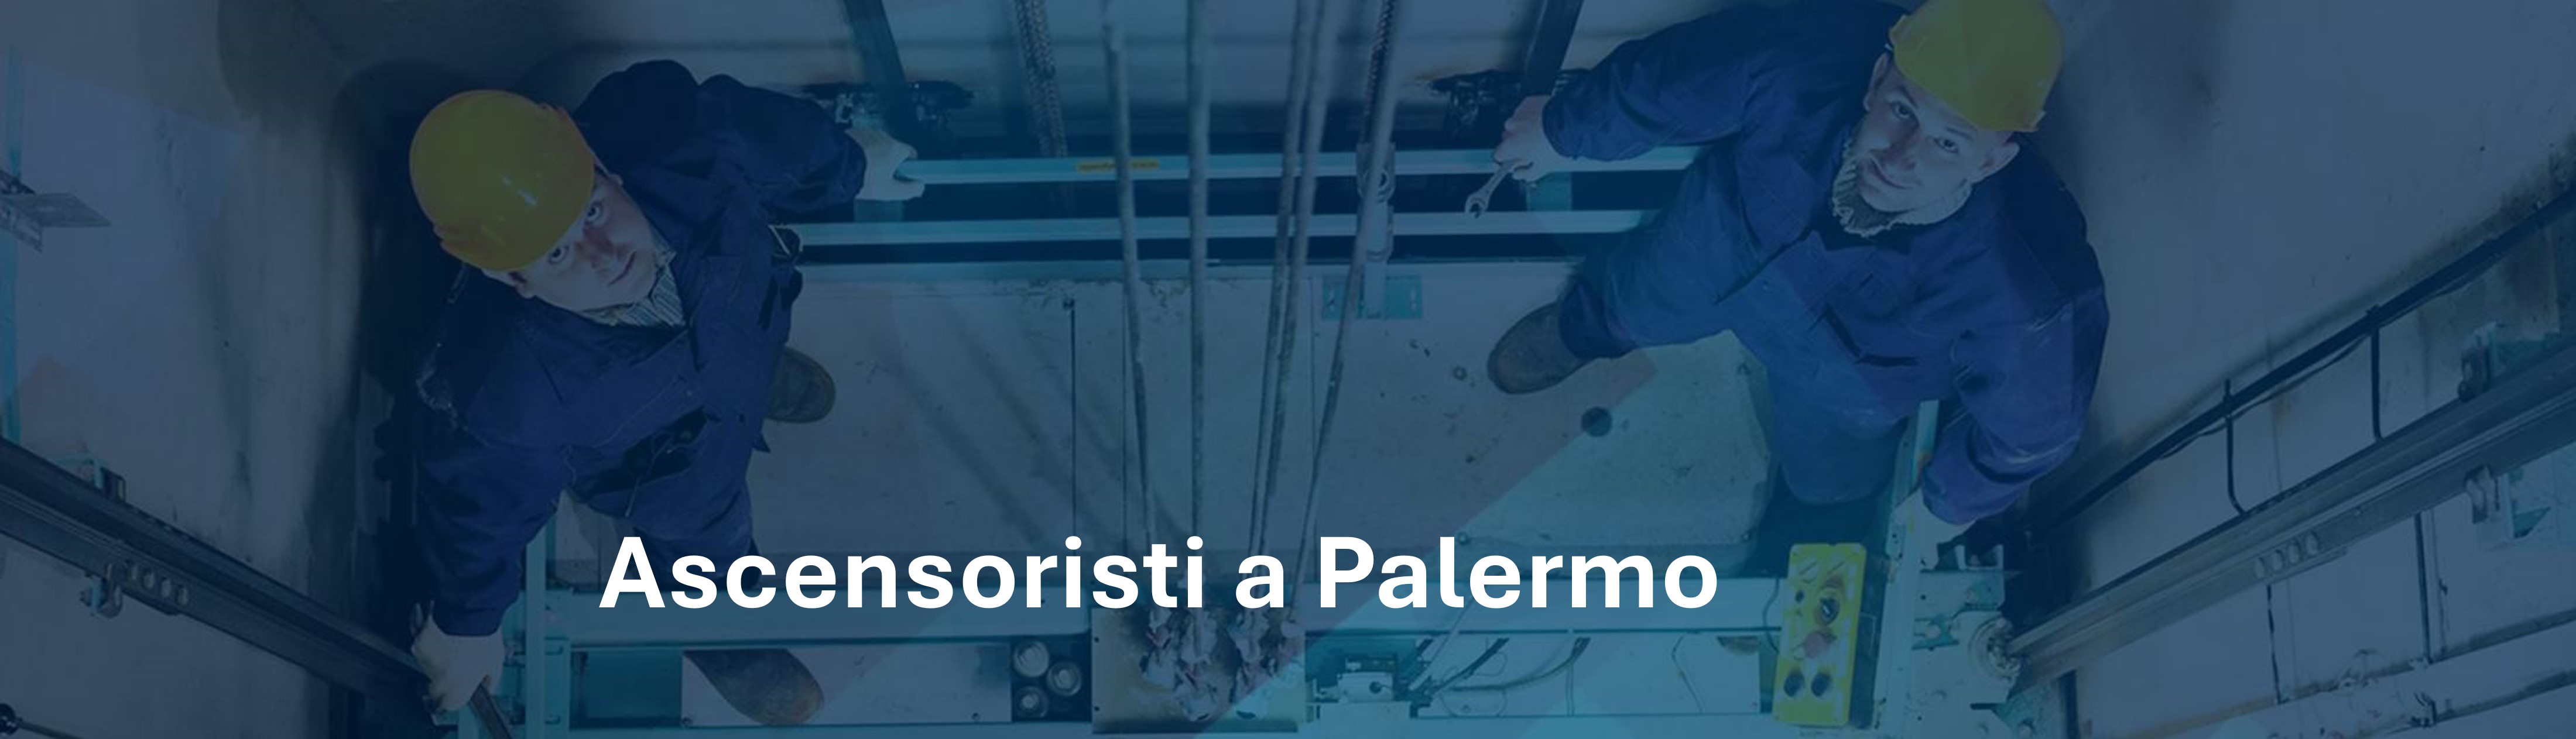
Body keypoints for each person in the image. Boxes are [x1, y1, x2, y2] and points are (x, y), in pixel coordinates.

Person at [1484, 0, 2108, 564]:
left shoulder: (2027, 282)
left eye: (1948, 144)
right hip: (1721, 244)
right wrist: (1563, 131)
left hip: (1846, 381)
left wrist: (1948, 505)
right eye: (1902, 111)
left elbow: (2034, 428)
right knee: (1635, 299)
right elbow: (1673, 78)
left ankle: (1790, 566)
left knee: (1827, 487)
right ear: (1876, 78)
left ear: (1993, 161)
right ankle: (1577, 332)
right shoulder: (1808, 51)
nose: (1901, 158)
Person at [401, 60, 924, 726]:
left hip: (741, 331)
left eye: (593, 210)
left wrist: (850, 166)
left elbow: (781, 140)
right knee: (709, 538)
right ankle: (721, 629)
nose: (603, 253)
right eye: (557, 255)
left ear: (602, 166)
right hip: (678, 469)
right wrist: (468, 620)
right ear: (513, 281)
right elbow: (483, 508)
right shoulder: (512, 394)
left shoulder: (686, 140)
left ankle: (756, 382)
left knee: (745, 350)